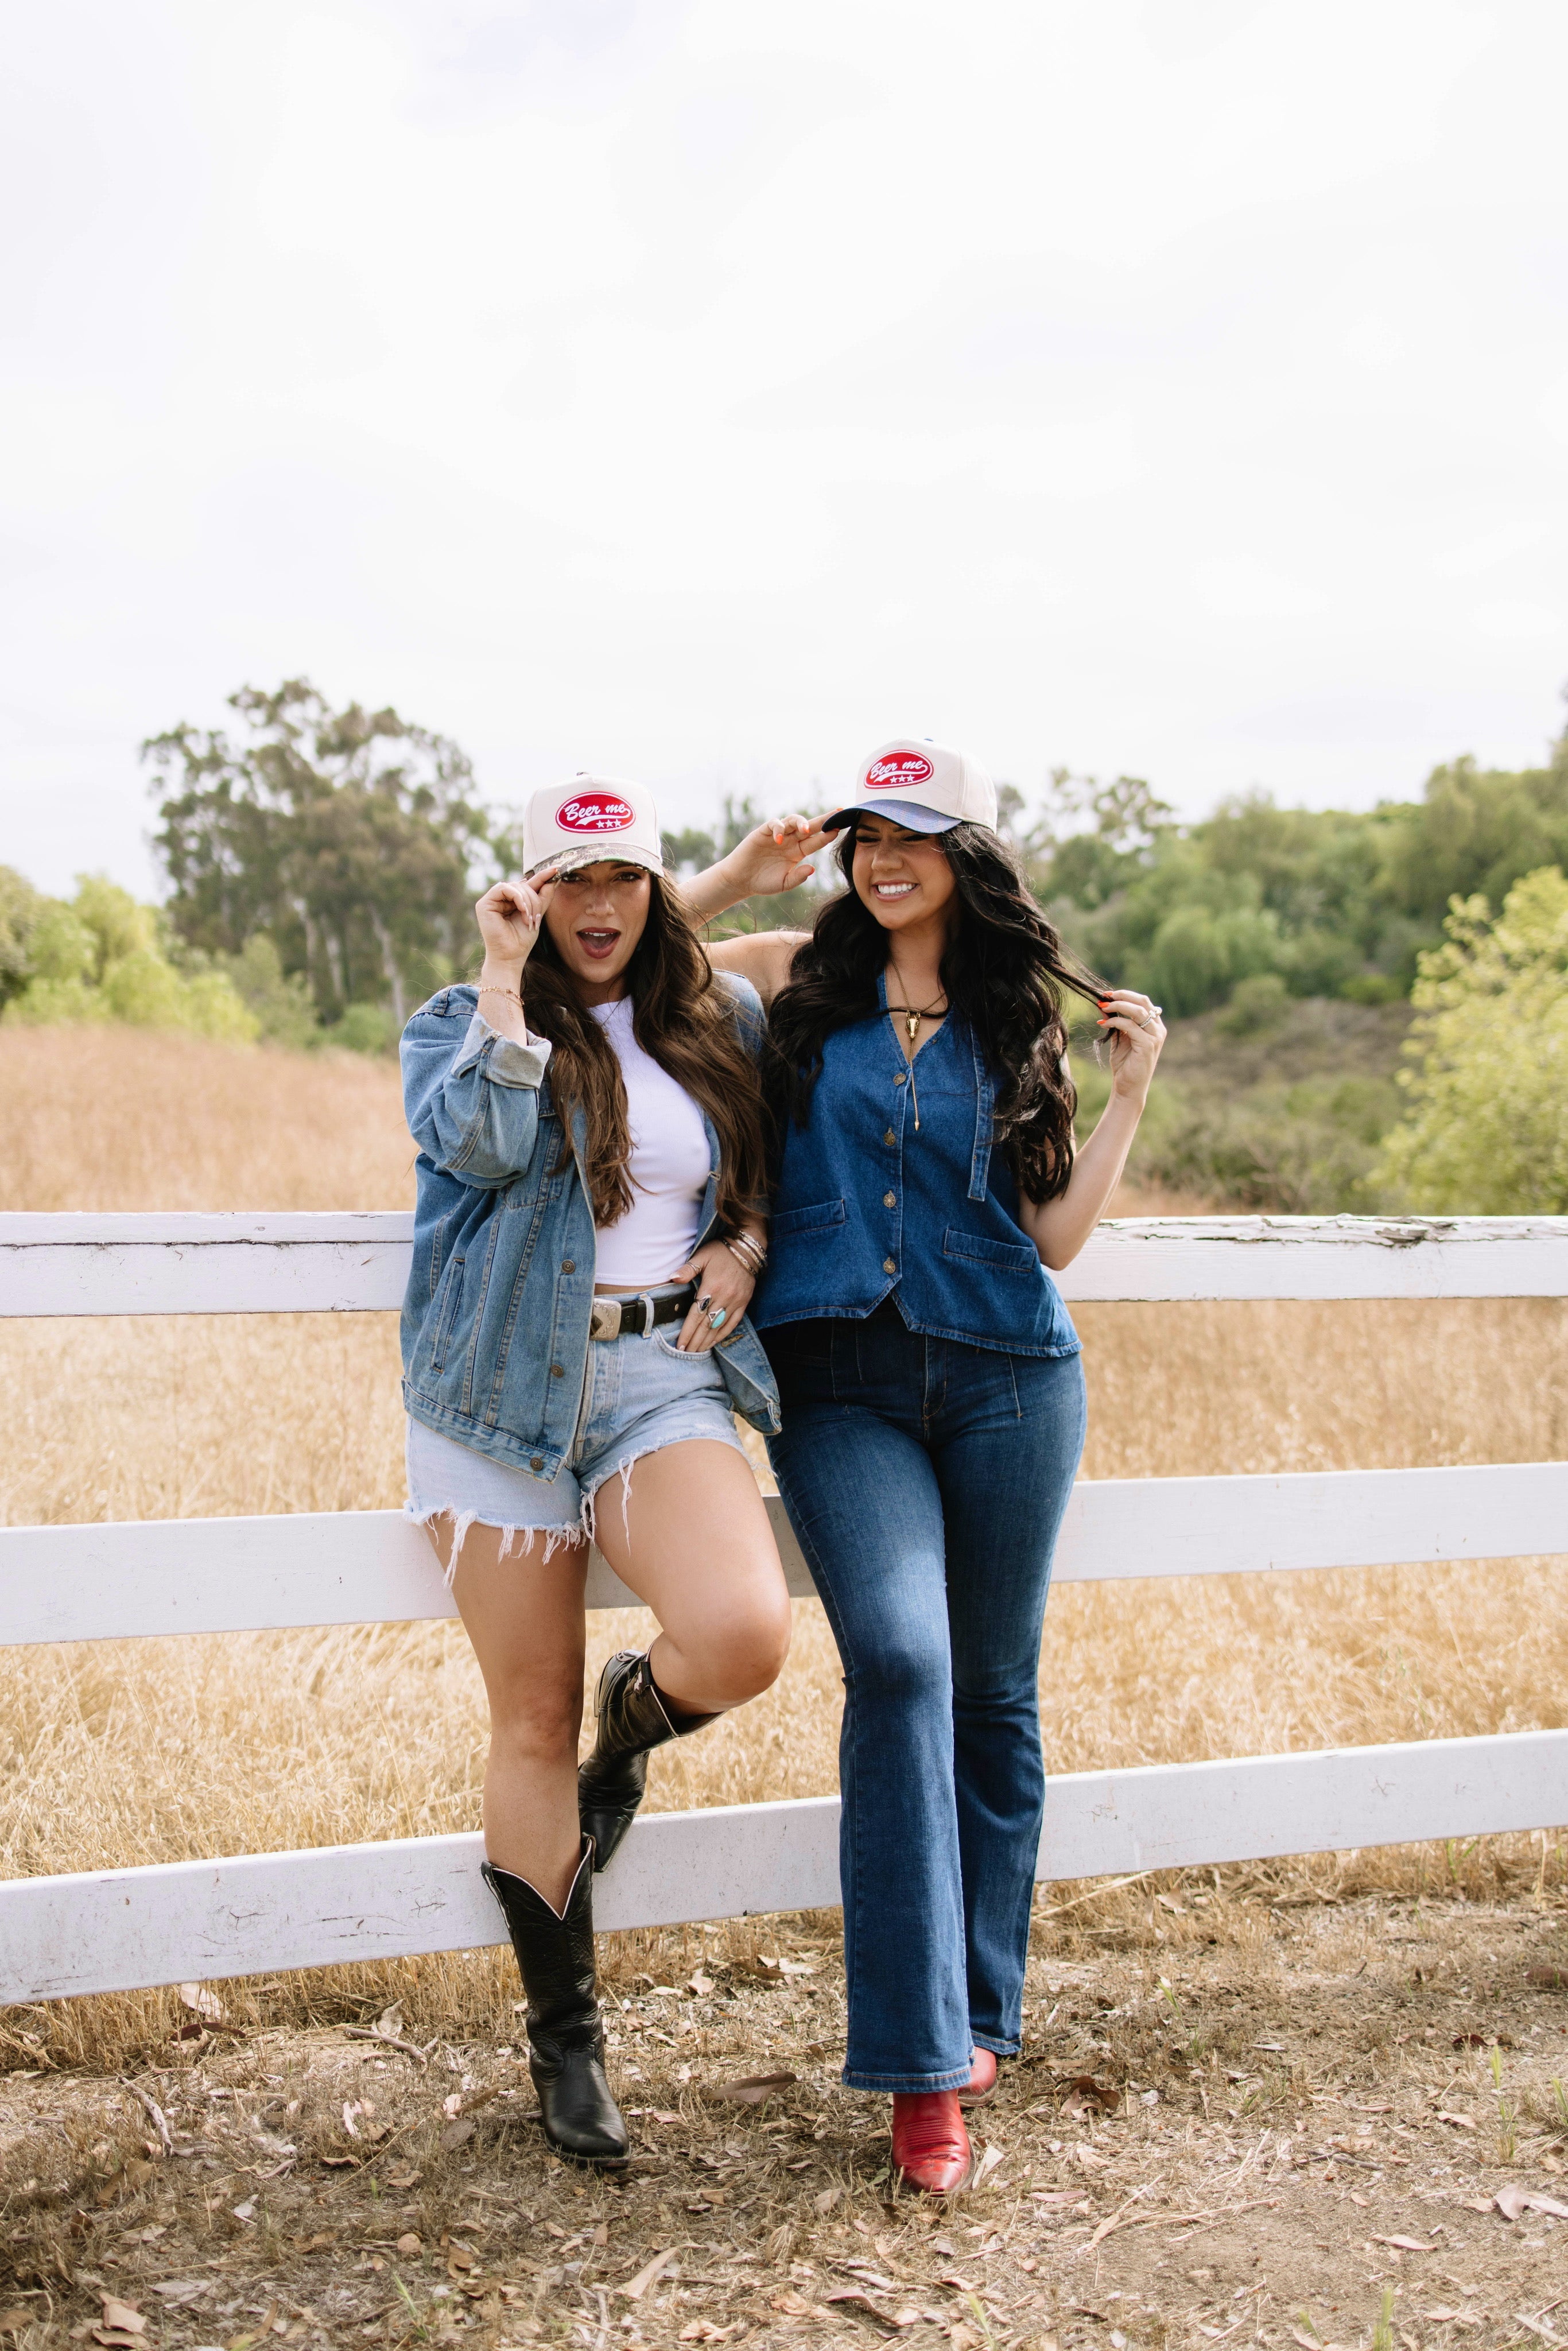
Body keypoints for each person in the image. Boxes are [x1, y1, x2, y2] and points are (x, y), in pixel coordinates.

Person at [705, 738, 1167, 2193]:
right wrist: (734, 875)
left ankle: (969, 2025)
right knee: (900, 1663)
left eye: (911, 834)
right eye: (865, 835)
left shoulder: (1014, 1012)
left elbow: (1049, 1242)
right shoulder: (794, 971)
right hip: (837, 1373)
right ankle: (916, 2065)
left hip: (1009, 1375)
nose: (881, 857)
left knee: (995, 1690)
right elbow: (626, 952)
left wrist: (1129, 1099)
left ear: (963, 850)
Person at [398, 775, 809, 2166]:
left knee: (744, 1633)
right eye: (566, 880)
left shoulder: (717, 1017)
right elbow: (484, 1144)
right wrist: (507, 979)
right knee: (527, 1714)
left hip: (657, 1379)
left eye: (622, 877)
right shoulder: (458, 1028)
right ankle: (565, 2039)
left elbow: (760, 1162)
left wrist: (744, 1239)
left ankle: (629, 1729)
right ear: (523, 892)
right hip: (499, 1398)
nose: (598, 905)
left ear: (650, 884)